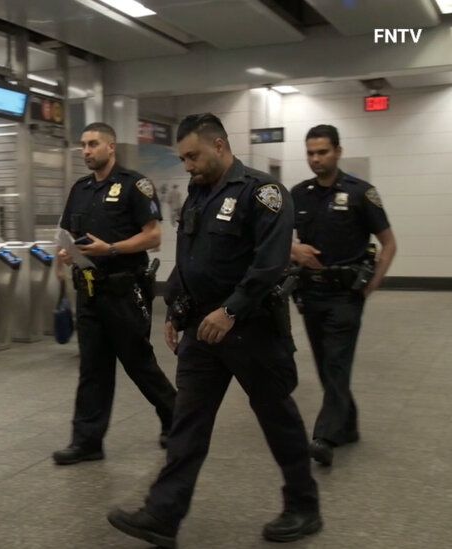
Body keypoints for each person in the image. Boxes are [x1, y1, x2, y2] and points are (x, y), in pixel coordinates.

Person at [108, 113, 320, 548]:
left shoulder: (263, 193)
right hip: (203, 332)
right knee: (187, 423)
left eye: (193, 156)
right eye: (183, 158)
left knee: (278, 418)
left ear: (220, 145)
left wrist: (231, 311)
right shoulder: (198, 194)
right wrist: (174, 311)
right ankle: (163, 515)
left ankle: (304, 506)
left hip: (252, 330)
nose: (187, 165)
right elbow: (189, 259)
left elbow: (271, 263)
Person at [52, 122, 177, 465]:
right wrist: (67, 254)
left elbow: (153, 237)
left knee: (139, 363)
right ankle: (87, 441)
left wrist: (111, 248)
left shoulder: (134, 185)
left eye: (93, 144)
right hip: (89, 291)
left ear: (111, 147)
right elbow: (72, 235)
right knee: (93, 368)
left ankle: (176, 419)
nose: (86, 151)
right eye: (83, 145)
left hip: (124, 289)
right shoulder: (79, 189)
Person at [289, 124, 397, 466]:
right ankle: (347, 424)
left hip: (345, 296)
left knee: (336, 363)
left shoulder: (360, 193)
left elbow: (389, 242)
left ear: (338, 151)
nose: (316, 159)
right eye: (310, 153)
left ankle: (325, 436)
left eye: (322, 152)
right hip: (310, 293)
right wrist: (294, 250)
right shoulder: (299, 193)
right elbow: (277, 236)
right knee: (325, 365)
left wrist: (375, 281)